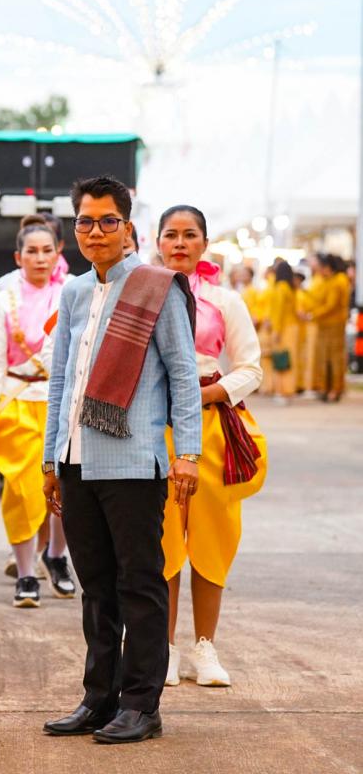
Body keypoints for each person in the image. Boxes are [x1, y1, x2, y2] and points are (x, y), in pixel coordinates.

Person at [41, 176, 201, 744]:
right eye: (85, 221)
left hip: (133, 463)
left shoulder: (156, 287)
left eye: (108, 221)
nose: (96, 231)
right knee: (96, 588)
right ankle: (98, 698)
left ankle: (141, 704)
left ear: (128, 228)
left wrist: (187, 453)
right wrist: (50, 459)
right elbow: (61, 381)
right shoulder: (74, 292)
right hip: (76, 460)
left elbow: (184, 374)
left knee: (140, 585)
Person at [157, 205, 266, 688]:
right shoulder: (142, 294)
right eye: (171, 235)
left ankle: (205, 647)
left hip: (212, 427)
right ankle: (162, 648)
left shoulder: (225, 300)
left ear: (204, 243)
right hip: (155, 429)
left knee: (212, 537)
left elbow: (251, 368)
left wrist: (205, 395)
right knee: (161, 538)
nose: (180, 243)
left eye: (189, 235)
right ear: (157, 243)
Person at [0, 215, 74, 608]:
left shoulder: (73, 293)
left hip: (62, 402)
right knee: (21, 490)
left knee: (67, 485)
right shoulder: (2, 300)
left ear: (58, 253)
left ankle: (57, 556)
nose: (40, 258)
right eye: (32, 251)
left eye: (47, 250)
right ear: (18, 256)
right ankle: (26, 572)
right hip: (16, 402)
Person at [306, 254, 351, 402]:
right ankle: (325, 387)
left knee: (335, 358)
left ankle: (336, 389)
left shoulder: (339, 280)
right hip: (323, 324)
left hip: (335, 325)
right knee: (323, 357)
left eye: (321, 268)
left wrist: (313, 315)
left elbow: (331, 305)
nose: (319, 271)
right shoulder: (326, 280)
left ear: (328, 267)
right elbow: (317, 300)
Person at [261, 260, 298, 402]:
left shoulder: (280, 287)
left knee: (281, 359)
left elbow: (279, 312)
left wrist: (276, 330)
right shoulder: (289, 287)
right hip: (291, 327)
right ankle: (288, 390)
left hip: (283, 329)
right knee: (288, 359)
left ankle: (282, 391)